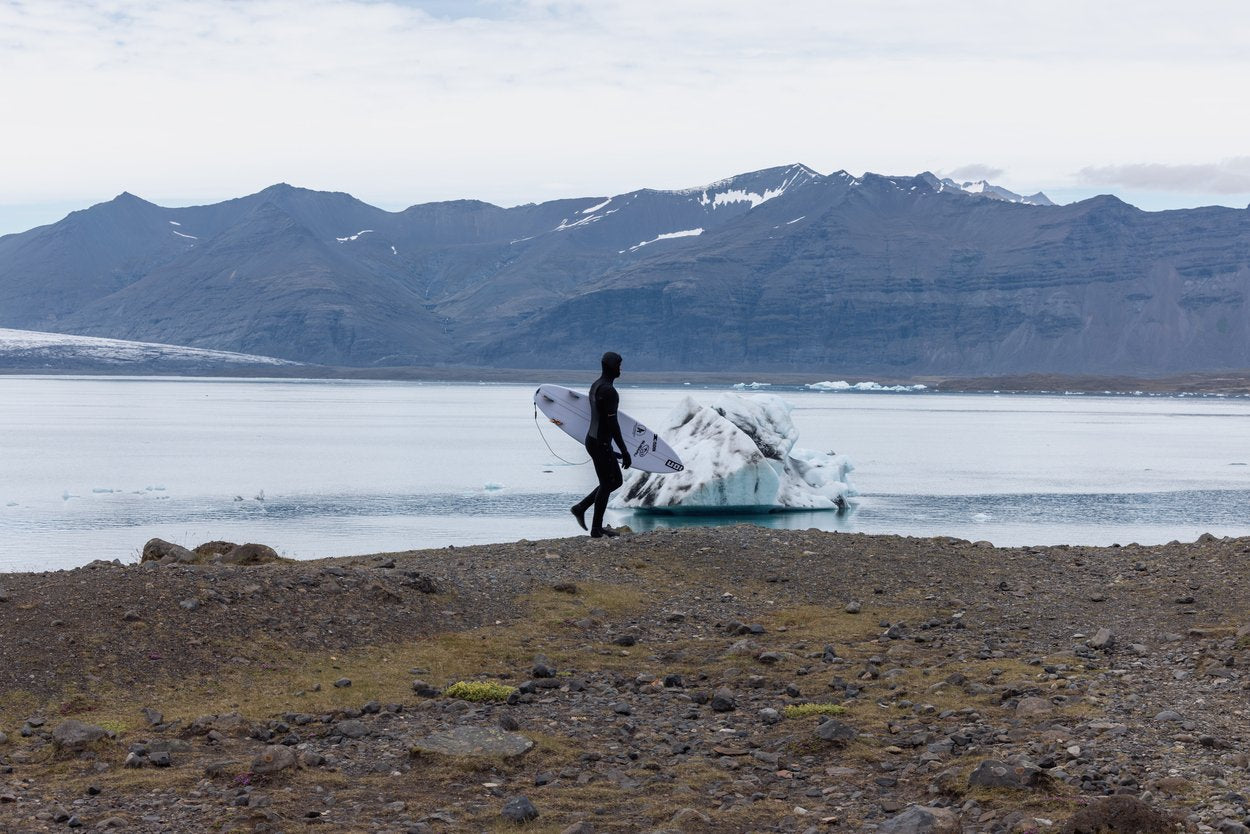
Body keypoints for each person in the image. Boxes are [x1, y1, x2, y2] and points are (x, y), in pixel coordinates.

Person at [571, 351, 632, 537]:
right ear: (612, 366)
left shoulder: (597, 385)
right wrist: (623, 450)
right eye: (619, 365)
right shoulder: (609, 391)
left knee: (611, 482)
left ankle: (581, 508)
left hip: (594, 440)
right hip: (601, 443)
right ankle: (596, 528)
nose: (621, 368)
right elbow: (613, 424)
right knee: (609, 483)